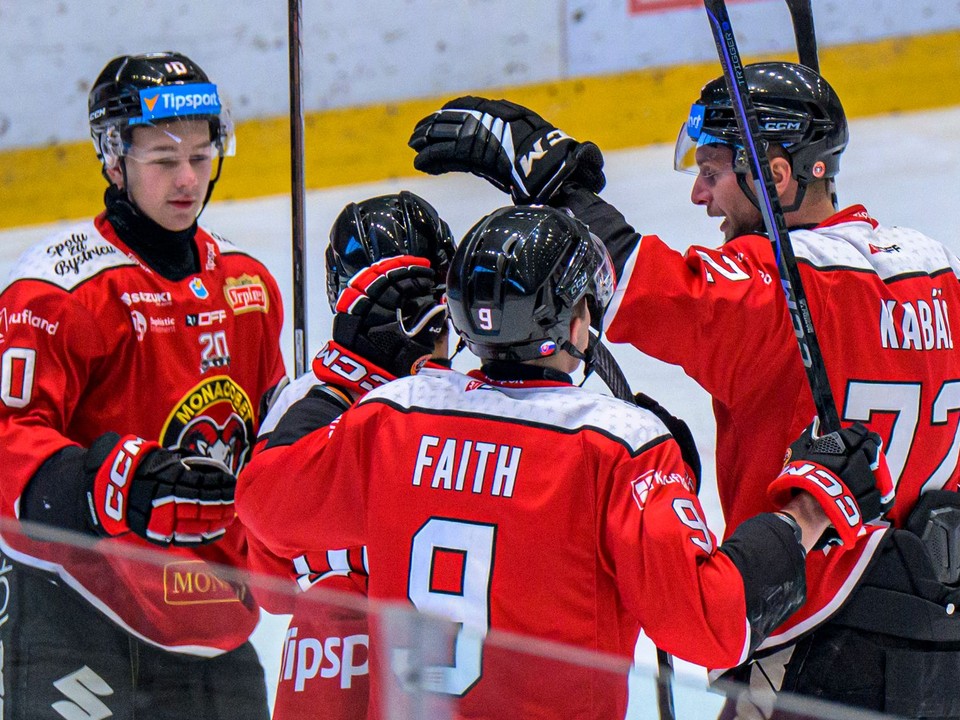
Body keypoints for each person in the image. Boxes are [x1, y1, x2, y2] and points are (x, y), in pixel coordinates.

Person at [406, 63, 960, 718]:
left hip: (815, 640)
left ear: (776, 176)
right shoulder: (934, 271)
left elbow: (640, 286)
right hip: (942, 629)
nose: (699, 195)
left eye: (713, 172)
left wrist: (556, 182)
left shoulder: (776, 290)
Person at [237, 204, 889, 719]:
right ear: (575, 322)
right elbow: (709, 622)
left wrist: (343, 369)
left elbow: (267, 504)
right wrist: (807, 508)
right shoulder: (618, 445)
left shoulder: (395, 415)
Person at [0, 52, 286, 718]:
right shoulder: (57, 293)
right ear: (113, 158)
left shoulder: (248, 285)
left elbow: (270, 435)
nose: (187, 179)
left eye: (201, 156)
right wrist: (103, 485)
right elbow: (8, 437)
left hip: (213, 611)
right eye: (163, 159)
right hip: (76, 609)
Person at [244, 191, 454, 719]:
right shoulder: (474, 399)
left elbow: (272, 585)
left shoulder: (304, 404)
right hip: (425, 675)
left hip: (332, 669)